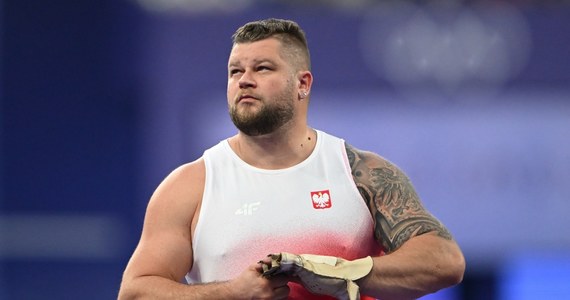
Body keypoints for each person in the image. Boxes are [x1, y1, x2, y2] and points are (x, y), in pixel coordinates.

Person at [118, 18, 465, 300]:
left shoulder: (361, 173)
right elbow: (135, 292)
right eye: (235, 71)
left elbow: (444, 261)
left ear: (303, 83)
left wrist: (341, 272)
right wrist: (232, 294)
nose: (245, 81)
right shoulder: (191, 185)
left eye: (263, 68)